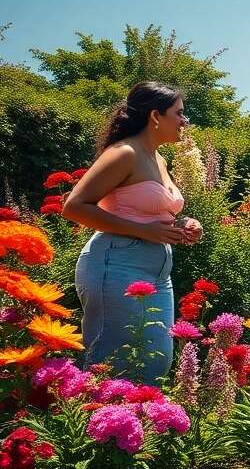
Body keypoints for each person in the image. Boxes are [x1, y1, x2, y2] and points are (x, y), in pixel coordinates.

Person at [62, 82, 203, 382]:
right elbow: (73, 206)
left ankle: (134, 426)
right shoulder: (124, 153)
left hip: (157, 272)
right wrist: (143, 231)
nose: (184, 122)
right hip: (116, 265)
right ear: (155, 116)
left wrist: (185, 225)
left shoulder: (159, 159)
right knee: (113, 366)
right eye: (179, 114)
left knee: (155, 362)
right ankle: (99, 426)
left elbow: (147, 211)